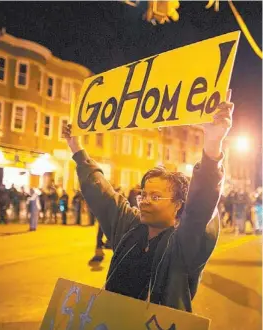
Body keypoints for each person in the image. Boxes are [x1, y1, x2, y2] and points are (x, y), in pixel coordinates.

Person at [64, 90, 233, 312]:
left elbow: (200, 206)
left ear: (178, 204)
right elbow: (102, 194)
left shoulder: (184, 243)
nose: (144, 201)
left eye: (155, 196)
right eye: (143, 194)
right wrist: (76, 148)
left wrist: (212, 145)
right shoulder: (129, 227)